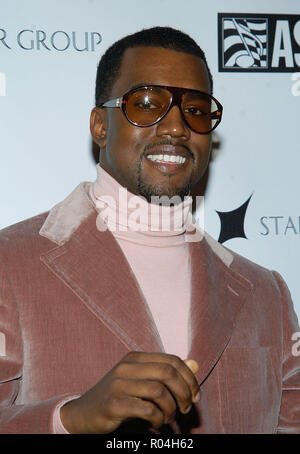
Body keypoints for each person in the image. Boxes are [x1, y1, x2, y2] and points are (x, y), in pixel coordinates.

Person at [0, 26, 299, 435]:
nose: (176, 127)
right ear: (100, 126)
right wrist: (67, 420)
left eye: (195, 109)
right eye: (145, 103)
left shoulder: (267, 294)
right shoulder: (10, 264)